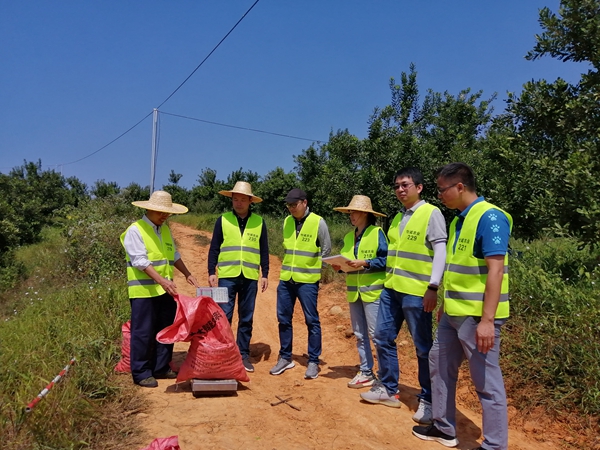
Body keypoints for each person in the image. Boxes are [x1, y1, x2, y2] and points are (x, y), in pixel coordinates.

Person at [412, 162, 512, 450]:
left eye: (442, 189)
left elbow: (495, 271)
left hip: (476, 317)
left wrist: (487, 321)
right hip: (452, 313)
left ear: (459, 186)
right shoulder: (458, 221)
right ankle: (444, 427)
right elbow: (457, 269)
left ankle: (495, 445)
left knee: (486, 381)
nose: (439, 195)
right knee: (439, 364)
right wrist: (445, 303)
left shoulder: (490, 218)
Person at [361, 167, 447, 425]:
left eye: (405, 185)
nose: (400, 189)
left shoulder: (431, 213)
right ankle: (388, 388)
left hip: (417, 292)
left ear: (419, 187)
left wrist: (433, 287)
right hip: (392, 288)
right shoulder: (398, 218)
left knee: (423, 347)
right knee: (383, 336)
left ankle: (429, 400)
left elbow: (440, 251)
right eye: (397, 185)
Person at [121, 190, 199, 388]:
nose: (164, 216)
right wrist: (162, 281)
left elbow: (173, 254)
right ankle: (141, 372)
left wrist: (187, 273)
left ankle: (161, 367)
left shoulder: (164, 230)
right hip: (144, 291)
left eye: (167, 213)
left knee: (166, 329)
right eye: (160, 212)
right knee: (143, 332)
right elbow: (140, 261)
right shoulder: (135, 230)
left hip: (164, 292)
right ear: (148, 209)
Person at [207, 181, 269, 373]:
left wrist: (264, 273)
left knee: (246, 317)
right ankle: (223, 353)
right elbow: (214, 247)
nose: (239, 203)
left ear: (250, 201)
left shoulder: (259, 222)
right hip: (226, 276)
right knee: (224, 315)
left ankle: (242, 354)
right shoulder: (223, 220)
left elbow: (264, 250)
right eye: (235, 199)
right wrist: (211, 271)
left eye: (242, 199)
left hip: (249, 277)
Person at [270, 188, 331, 379]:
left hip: (307, 281)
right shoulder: (287, 221)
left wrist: (318, 275)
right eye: (288, 205)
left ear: (304, 202)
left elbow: (326, 250)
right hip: (287, 279)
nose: (291, 208)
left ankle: (313, 360)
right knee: (284, 319)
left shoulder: (318, 222)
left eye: (294, 204)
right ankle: (285, 357)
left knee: (311, 320)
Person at [332, 195, 388, 389]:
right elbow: (347, 259)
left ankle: (384, 376)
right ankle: (366, 371)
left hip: (372, 293)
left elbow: (386, 260)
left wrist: (365, 264)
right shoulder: (349, 236)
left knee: (376, 335)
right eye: (349, 212)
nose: (351, 216)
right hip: (354, 292)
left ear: (364, 213)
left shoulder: (377, 233)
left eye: (353, 212)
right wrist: (339, 266)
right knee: (359, 334)